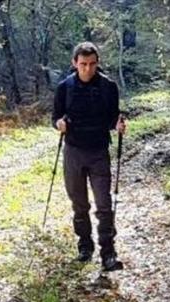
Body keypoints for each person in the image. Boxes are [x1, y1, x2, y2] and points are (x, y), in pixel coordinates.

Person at [52, 41, 128, 272]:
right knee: (79, 203)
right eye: (83, 64)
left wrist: (118, 125)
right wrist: (60, 124)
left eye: (92, 64)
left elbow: (112, 118)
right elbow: (55, 117)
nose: (87, 69)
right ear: (74, 63)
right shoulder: (64, 87)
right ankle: (85, 246)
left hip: (98, 151)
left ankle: (108, 253)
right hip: (74, 150)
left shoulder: (108, 87)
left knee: (104, 204)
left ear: (97, 63)